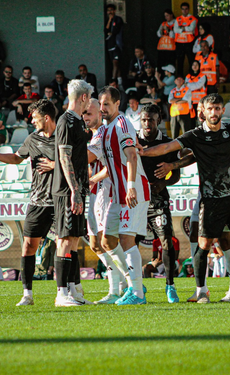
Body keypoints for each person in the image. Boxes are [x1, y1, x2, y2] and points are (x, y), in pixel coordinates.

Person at [140, 93, 230, 303]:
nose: (213, 113)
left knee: (228, 241)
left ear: (222, 110)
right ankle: (201, 290)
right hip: (207, 198)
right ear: (202, 112)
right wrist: (161, 160)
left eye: (217, 108)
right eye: (210, 109)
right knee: (202, 242)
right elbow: (187, 154)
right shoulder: (195, 134)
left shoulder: (228, 130)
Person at [0, 99, 58, 306]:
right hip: (38, 201)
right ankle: (27, 294)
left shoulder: (64, 137)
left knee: (66, 246)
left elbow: (77, 163)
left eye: (34, 117)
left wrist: (55, 165)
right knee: (28, 247)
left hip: (60, 200)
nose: (32, 121)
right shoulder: (33, 139)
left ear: (46, 117)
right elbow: (17, 158)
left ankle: (67, 291)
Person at [91, 86, 151, 306]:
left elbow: (132, 156)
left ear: (117, 104)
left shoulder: (122, 123)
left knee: (126, 239)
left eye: (107, 103)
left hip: (132, 192)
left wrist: (132, 186)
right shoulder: (106, 129)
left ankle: (137, 293)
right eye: (101, 103)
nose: (103, 108)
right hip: (117, 194)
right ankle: (134, 284)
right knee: (107, 241)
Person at [52, 79, 93, 307]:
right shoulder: (66, 121)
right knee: (65, 240)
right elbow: (64, 155)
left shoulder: (76, 121)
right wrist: (75, 190)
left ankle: (74, 290)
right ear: (84, 98)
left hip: (76, 189)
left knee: (74, 240)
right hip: (67, 191)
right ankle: (61, 293)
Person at [83, 98, 126, 304]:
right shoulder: (93, 135)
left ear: (100, 114)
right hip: (94, 193)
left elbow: (112, 165)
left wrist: (91, 178)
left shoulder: (103, 134)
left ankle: (121, 286)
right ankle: (123, 284)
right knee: (95, 245)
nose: (86, 117)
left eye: (89, 113)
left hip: (106, 192)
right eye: (84, 113)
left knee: (106, 242)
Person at [138, 104, 181, 302]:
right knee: (131, 243)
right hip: (136, 200)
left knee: (166, 242)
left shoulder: (168, 143)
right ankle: (135, 286)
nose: (147, 124)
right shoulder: (133, 141)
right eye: (144, 120)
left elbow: (176, 175)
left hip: (158, 201)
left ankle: (170, 286)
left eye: (151, 120)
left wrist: (163, 182)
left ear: (159, 121)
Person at [174, 2, 198, 77]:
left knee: (191, 60)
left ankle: (192, 76)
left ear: (188, 9)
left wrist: (181, 28)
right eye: (183, 9)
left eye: (186, 9)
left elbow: (191, 28)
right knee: (180, 61)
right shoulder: (178, 19)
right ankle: (180, 78)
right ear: (181, 10)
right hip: (179, 42)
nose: (184, 11)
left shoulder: (193, 19)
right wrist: (186, 28)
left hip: (189, 42)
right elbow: (175, 30)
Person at [105, 4, 124, 86]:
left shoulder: (118, 19)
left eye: (111, 10)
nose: (110, 12)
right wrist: (109, 20)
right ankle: (120, 81)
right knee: (115, 64)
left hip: (117, 44)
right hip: (110, 45)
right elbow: (105, 30)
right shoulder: (107, 20)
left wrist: (112, 33)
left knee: (116, 62)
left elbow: (117, 30)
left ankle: (113, 80)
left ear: (114, 10)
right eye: (108, 10)